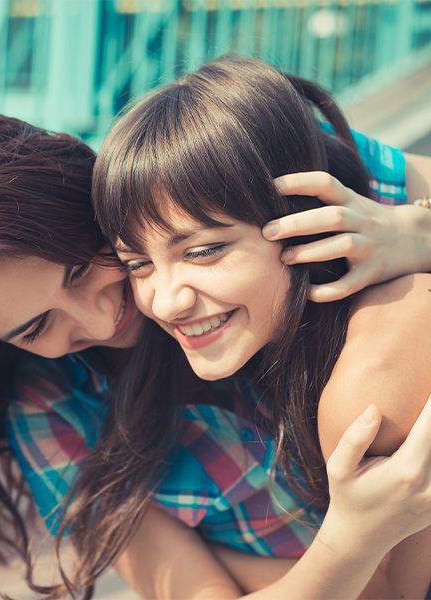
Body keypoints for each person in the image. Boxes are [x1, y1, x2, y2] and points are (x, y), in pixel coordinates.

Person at [0, 110, 429, 599]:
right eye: (35, 327)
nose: (101, 319)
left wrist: (417, 235)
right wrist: (353, 540)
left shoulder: (212, 163)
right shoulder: (56, 416)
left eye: (79, 269)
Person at [89, 55, 431, 598]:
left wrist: (421, 229)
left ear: (306, 219)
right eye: (137, 264)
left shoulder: (384, 363)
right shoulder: (267, 359)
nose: (167, 301)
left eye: (203, 251)